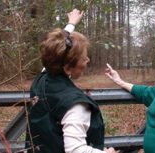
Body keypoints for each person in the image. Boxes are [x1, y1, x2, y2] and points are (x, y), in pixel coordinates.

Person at [25, 9, 116, 153]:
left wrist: (71, 23)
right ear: (67, 68)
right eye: (84, 58)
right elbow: (75, 149)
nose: (88, 60)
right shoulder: (74, 104)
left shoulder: (41, 79)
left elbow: (55, 51)